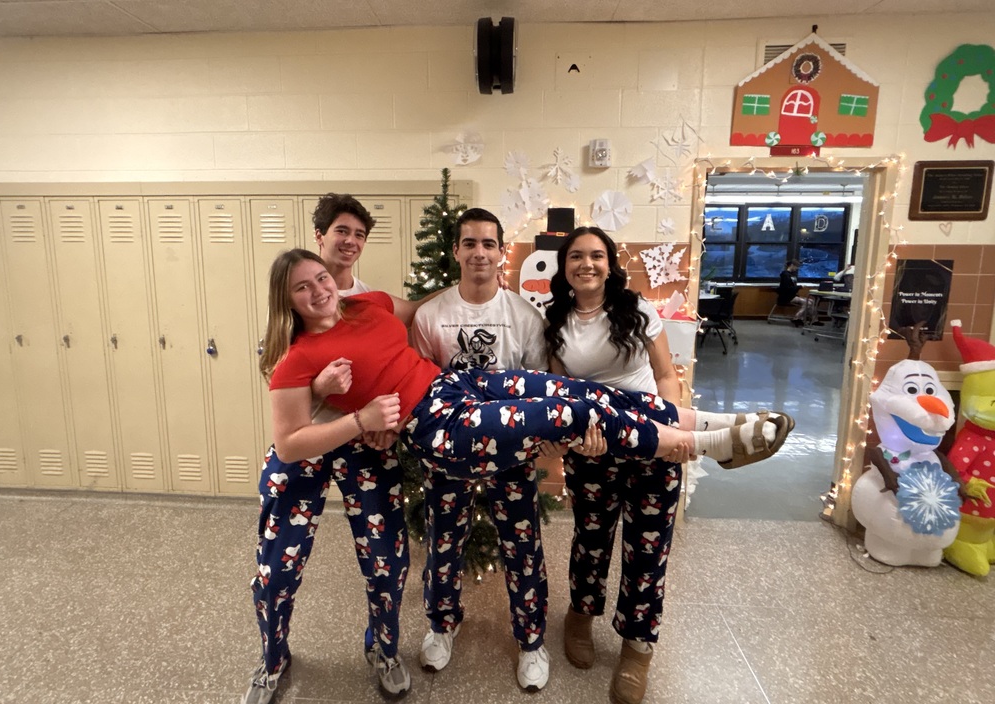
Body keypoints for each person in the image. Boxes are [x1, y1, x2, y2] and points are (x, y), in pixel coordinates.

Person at [254, 249, 793, 700]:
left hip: (455, 387)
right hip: (438, 426)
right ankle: (704, 445)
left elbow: (419, 303)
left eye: (321, 278)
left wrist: (466, 271)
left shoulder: (366, 304)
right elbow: (290, 440)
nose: (320, 290)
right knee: (563, 414)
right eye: (304, 287)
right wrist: (358, 417)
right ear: (289, 300)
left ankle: (726, 424)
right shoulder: (296, 359)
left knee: (581, 393)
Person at [543, 226, 790, 704]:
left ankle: (638, 647)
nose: (586, 264)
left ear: (611, 264)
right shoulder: (555, 320)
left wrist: (671, 430)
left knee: (648, 550)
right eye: (576, 256)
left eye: (596, 255)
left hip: (654, 443)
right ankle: (580, 616)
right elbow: (562, 394)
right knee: (591, 540)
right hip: (595, 448)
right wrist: (577, 442)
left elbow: (664, 376)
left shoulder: (636, 309)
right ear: (565, 266)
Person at [243, 194, 419, 704]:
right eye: (342, 231)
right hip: (307, 443)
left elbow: (413, 337)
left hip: (366, 446)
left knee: (386, 558)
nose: (350, 242)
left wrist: (477, 278)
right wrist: (319, 390)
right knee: (276, 569)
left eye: (359, 234)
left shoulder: (368, 300)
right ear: (321, 237)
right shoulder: (290, 323)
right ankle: (273, 658)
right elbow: (287, 422)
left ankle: (384, 649)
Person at [410, 208, 561, 691]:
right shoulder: (430, 316)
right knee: (443, 543)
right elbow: (420, 390)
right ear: (456, 251)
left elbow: (540, 392)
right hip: (449, 457)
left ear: (501, 252)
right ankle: (442, 625)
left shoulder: (523, 316)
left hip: (510, 458)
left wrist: (539, 446)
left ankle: (532, 639)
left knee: (523, 547)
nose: (479, 252)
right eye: (469, 243)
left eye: (488, 244)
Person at [777, 259, 807, 327]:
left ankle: (811, 319)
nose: (797, 269)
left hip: (791, 296)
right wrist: (799, 287)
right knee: (808, 302)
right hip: (786, 297)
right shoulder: (785, 275)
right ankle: (797, 318)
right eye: (796, 267)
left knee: (810, 302)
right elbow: (787, 288)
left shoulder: (790, 275)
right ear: (792, 265)